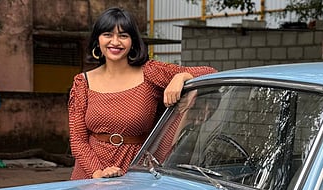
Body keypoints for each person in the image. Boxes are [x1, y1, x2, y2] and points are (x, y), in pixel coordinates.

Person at [69, 7, 216, 180]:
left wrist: (182, 76)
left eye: (123, 35)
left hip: (136, 171)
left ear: (132, 41)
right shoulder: (82, 82)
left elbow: (211, 72)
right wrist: (99, 173)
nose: (115, 42)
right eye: (108, 34)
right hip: (90, 174)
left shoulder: (150, 72)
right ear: (97, 40)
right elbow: (78, 140)